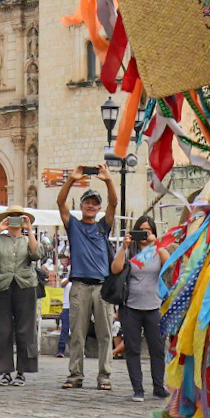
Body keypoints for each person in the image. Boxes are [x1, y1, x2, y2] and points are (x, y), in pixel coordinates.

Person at [57, 167, 116, 390]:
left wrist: (110, 181)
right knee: (77, 334)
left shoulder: (103, 227)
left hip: (101, 288)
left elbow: (114, 204)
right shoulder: (74, 226)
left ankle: (104, 376)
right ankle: (75, 375)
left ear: (98, 207)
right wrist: (71, 180)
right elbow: (61, 202)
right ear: (81, 205)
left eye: (94, 203)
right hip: (80, 285)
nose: (91, 206)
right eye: (87, 202)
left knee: (105, 335)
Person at [109, 214, 168, 402]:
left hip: (154, 306)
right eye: (140, 230)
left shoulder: (157, 250)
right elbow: (115, 269)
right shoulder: (130, 250)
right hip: (131, 306)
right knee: (132, 349)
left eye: (147, 231)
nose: (144, 234)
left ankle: (158, 386)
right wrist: (124, 247)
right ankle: (138, 389)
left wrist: (156, 243)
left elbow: (170, 264)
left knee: (157, 349)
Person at [0, 206, 43, 385]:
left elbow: (36, 254)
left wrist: (29, 230)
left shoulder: (27, 240)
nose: (15, 221)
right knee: (1, 329)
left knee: (26, 329)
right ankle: (5, 371)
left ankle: (22, 371)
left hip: (25, 286)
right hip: (0, 286)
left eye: (19, 217)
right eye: (12, 217)